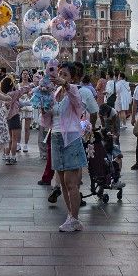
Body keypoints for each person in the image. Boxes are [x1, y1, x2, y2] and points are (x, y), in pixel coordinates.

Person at [47, 62, 88, 232]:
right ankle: (70, 215)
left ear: (71, 77)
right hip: (56, 137)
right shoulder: (55, 92)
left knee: (71, 183)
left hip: (70, 138)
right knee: (62, 183)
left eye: (65, 74)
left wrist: (65, 84)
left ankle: (75, 218)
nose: (61, 76)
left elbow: (77, 102)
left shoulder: (74, 90)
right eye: (60, 73)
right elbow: (51, 115)